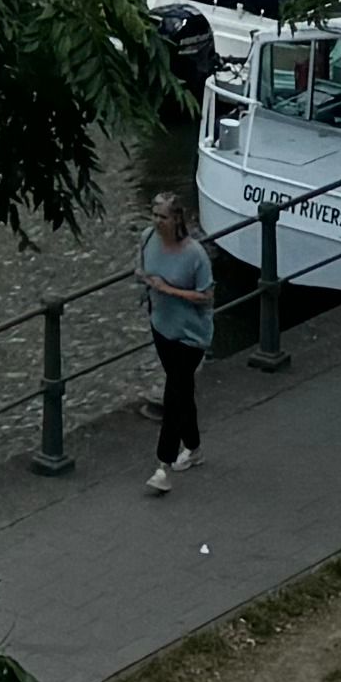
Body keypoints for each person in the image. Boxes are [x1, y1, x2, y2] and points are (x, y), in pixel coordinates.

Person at [142, 186, 218, 496]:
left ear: (177, 219)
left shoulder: (195, 255)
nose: (157, 221)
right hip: (162, 327)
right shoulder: (147, 239)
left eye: (163, 217)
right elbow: (145, 271)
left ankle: (164, 464)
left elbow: (207, 297)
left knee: (173, 395)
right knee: (182, 391)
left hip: (191, 336)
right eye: (154, 215)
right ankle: (195, 449)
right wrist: (146, 284)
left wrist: (169, 290)